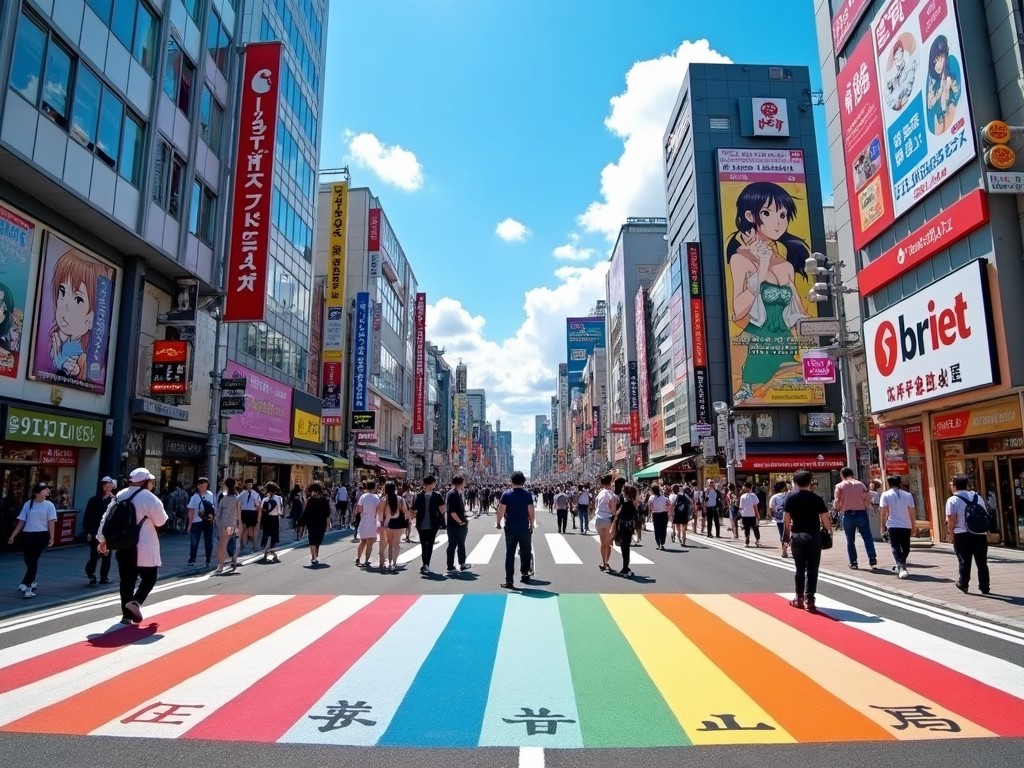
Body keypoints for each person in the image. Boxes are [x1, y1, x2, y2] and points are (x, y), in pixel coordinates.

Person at [725, 182, 811, 404]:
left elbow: (800, 317)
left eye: (782, 214)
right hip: (757, 346)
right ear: (750, 215)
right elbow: (738, 309)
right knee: (756, 398)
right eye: (767, 213)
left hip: (785, 344)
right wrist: (761, 268)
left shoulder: (786, 265)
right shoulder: (740, 259)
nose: (778, 221)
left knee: (798, 392)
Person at [96, 468, 168, 624]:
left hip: (123, 545)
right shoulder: (149, 498)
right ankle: (135, 602)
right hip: (144, 545)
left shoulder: (120, 495)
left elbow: (106, 518)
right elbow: (161, 521)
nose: (152, 484)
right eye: (151, 481)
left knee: (127, 581)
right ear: (145, 482)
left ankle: (126, 615)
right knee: (150, 577)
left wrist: (102, 540)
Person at [783, 469, 831, 613]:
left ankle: (798, 598)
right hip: (814, 537)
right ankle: (810, 599)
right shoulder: (817, 498)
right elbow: (825, 518)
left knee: (799, 569)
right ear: (811, 482)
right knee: (812, 569)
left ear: (795, 482)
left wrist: (786, 537)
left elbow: (786, 519)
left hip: (797, 537)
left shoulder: (790, 498)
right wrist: (829, 532)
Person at [8, 482, 57, 598]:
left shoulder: (49, 505)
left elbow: (51, 522)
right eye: (45, 489)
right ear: (37, 492)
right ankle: (32, 580)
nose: (47, 491)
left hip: (41, 535)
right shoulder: (28, 504)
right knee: (28, 561)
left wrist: (52, 538)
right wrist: (13, 535)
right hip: (27, 535)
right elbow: (21, 521)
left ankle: (26, 585)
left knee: (33, 561)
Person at [945, 474, 990, 595]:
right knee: (982, 562)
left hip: (962, 534)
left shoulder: (952, 500)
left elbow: (951, 519)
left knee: (964, 560)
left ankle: (963, 583)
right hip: (980, 533)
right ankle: (985, 586)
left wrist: (950, 533)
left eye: (951, 483)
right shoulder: (977, 497)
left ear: (954, 486)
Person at [833, 467, 877, 570]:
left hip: (848, 515)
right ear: (852, 474)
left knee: (850, 540)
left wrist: (838, 508)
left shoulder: (839, 486)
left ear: (842, 475)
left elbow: (836, 502)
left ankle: (853, 562)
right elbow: (868, 498)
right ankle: (872, 558)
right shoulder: (861, 484)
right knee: (867, 537)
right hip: (861, 513)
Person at [497, 470, 535, 589]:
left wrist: (498, 522)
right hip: (524, 527)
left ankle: (509, 581)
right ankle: (525, 575)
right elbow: (531, 511)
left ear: (511, 481)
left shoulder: (506, 494)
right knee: (525, 552)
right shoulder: (527, 494)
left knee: (510, 554)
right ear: (523, 481)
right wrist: (532, 523)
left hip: (510, 528)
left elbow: (501, 510)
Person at [879, 475, 915, 579]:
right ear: (900, 484)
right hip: (901, 524)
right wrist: (913, 525)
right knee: (902, 547)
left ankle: (900, 565)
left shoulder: (886, 495)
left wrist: (882, 525)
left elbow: (883, 512)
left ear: (888, 483)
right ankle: (901, 567)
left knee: (901, 547)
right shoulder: (907, 495)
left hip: (895, 525)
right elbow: (912, 511)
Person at [83, 476, 115, 585]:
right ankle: (91, 574)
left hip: (108, 532)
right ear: (102, 486)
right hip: (94, 531)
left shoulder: (114, 500)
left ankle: (104, 576)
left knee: (107, 555)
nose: (109, 486)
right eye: (107, 484)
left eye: (111, 484)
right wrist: (87, 531)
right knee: (94, 555)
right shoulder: (93, 500)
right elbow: (87, 517)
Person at [412, 476, 446, 575]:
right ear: (431, 484)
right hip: (433, 523)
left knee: (423, 544)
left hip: (420, 523)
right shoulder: (437, 495)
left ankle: (425, 564)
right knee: (429, 544)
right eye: (434, 483)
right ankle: (426, 564)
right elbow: (442, 509)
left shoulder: (418, 495)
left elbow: (413, 510)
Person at [376, 481, 408, 572]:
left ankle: (389, 562)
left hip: (387, 525)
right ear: (395, 489)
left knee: (389, 544)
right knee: (396, 544)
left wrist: (381, 524)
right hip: (398, 524)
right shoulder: (401, 499)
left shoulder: (383, 499)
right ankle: (394, 563)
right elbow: (405, 512)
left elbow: (380, 513)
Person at [610, 485, 639, 577]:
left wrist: (613, 527)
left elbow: (617, 516)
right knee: (626, 549)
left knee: (624, 549)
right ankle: (625, 567)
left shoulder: (625, 504)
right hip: (629, 529)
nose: (622, 493)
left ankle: (625, 568)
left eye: (623, 492)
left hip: (623, 529)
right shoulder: (632, 505)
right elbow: (636, 518)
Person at [186, 477, 215, 568]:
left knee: (209, 541)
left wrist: (213, 518)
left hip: (208, 521)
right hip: (196, 521)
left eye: (205, 485)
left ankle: (208, 559)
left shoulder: (210, 494)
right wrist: (189, 525)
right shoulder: (194, 497)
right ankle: (192, 559)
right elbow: (191, 511)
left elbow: (213, 508)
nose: (203, 486)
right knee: (194, 541)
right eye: (201, 485)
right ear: (198, 486)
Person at [214, 478, 241, 574]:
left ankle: (221, 566)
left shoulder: (223, 499)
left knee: (222, 546)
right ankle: (233, 560)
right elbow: (239, 515)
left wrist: (217, 523)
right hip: (234, 524)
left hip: (225, 525)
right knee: (234, 544)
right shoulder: (237, 498)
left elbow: (218, 514)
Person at [445, 475, 471, 575]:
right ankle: (450, 566)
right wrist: (460, 521)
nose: (465, 484)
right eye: (463, 482)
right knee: (452, 545)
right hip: (454, 524)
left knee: (461, 544)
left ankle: (462, 563)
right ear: (459, 483)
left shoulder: (459, 494)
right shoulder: (452, 494)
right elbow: (452, 512)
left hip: (460, 524)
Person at [302, 483, 332, 566]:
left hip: (320, 523)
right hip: (311, 523)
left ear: (318, 491)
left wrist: (328, 524)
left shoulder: (324, 500)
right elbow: (306, 512)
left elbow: (327, 513)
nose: (312, 493)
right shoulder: (310, 500)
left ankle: (315, 555)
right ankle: (314, 557)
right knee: (312, 540)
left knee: (318, 540)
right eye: (311, 491)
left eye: (313, 491)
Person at [594, 474, 618, 571]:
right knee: (608, 543)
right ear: (610, 483)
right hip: (608, 518)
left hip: (599, 519)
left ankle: (603, 561)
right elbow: (613, 509)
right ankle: (606, 563)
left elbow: (596, 506)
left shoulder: (600, 493)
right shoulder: (612, 494)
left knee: (602, 543)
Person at [355, 480, 381, 568]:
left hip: (364, 519)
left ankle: (358, 558)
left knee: (362, 541)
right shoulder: (376, 497)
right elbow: (378, 510)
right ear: (374, 488)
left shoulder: (363, 496)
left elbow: (359, 509)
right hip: (372, 520)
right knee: (370, 542)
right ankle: (366, 560)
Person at [259, 481, 284, 563]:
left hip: (266, 518)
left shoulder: (264, 499)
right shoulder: (279, 498)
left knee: (265, 534)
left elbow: (261, 509)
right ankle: (272, 551)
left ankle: (265, 550)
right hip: (274, 518)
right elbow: (280, 511)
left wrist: (260, 519)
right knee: (274, 535)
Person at [238, 479, 262, 555]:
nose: (249, 486)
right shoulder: (242, 494)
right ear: (245, 485)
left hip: (253, 512)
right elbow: (239, 503)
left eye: (250, 484)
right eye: (248, 484)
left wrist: (258, 516)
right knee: (244, 529)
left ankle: (254, 545)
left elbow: (259, 505)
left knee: (254, 529)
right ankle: (244, 545)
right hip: (244, 512)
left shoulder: (256, 494)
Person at [768, 480, 790, 558]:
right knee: (793, 534)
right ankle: (793, 548)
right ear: (784, 487)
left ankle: (784, 551)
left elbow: (771, 508)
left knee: (783, 535)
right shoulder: (789, 495)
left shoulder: (774, 497)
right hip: (791, 519)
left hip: (780, 519)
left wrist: (774, 514)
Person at [739, 481, 762, 547]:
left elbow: (741, 508)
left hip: (745, 515)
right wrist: (757, 515)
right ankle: (757, 540)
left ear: (747, 488)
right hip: (752, 515)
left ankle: (747, 542)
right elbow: (755, 507)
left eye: (744, 487)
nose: (744, 489)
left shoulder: (742, 496)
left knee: (747, 529)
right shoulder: (753, 496)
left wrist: (741, 517)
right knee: (755, 528)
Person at [648, 484, 671, 550]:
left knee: (657, 529)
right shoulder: (664, 498)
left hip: (656, 515)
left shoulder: (651, 498)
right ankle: (662, 543)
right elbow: (669, 506)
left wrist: (649, 515)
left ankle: (658, 543)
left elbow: (650, 508)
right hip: (664, 514)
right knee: (663, 529)